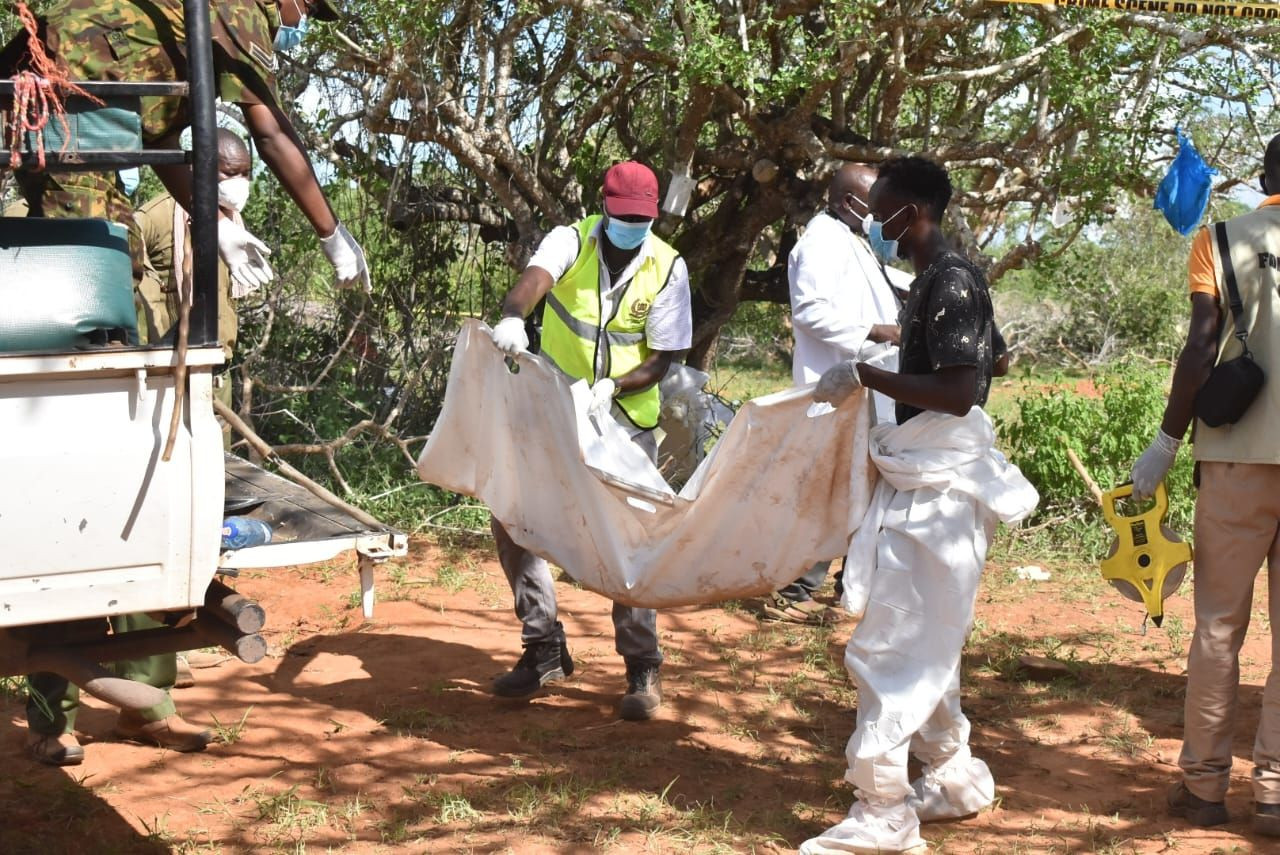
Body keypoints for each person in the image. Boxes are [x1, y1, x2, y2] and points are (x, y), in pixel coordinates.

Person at [3, 0, 369, 765]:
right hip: (69, 151)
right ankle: (52, 717)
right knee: (63, 503)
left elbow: (167, 139)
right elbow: (270, 129)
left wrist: (221, 224)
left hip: (88, 142)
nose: (303, 16)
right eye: (308, 6)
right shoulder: (231, 10)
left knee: (132, 501)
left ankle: (147, 704)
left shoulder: (170, 35)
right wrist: (331, 233)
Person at [800, 156, 1031, 855]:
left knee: (891, 646)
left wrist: (866, 371)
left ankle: (883, 809)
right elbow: (989, 358)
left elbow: (961, 388)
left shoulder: (950, 279)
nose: (874, 221)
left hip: (937, 494)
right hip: (928, 479)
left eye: (885, 208)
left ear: (916, 212)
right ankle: (954, 776)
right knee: (925, 641)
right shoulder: (933, 281)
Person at [487, 161, 692, 721]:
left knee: (628, 538)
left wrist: (614, 387)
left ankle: (642, 665)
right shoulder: (570, 241)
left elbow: (662, 359)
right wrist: (512, 317)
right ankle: (543, 645)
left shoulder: (668, 266)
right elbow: (533, 283)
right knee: (512, 516)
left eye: (641, 219)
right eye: (623, 216)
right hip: (555, 409)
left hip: (624, 416)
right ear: (604, 207)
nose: (631, 227)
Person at [1129, 133, 1280, 839]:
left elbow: (1200, 345)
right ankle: (1276, 792)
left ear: (1263, 179)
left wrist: (1165, 439)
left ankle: (1205, 788)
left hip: (1236, 459)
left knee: (1220, 626)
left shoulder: (1220, 240)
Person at [764, 163, 909, 624]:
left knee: (860, 488)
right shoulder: (822, 240)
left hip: (866, 387)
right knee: (828, 493)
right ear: (850, 202)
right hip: (835, 387)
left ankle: (853, 583)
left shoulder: (852, 241)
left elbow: (881, 288)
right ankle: (794, 589)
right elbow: (809, 311)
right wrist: (878, 331)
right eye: (876, 204)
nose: (882, 215)